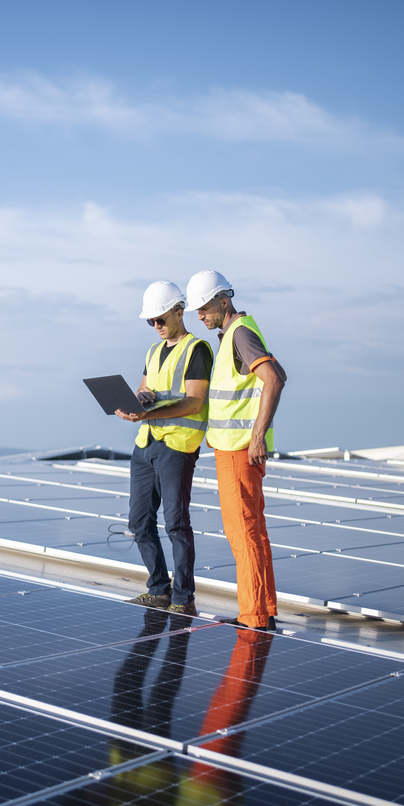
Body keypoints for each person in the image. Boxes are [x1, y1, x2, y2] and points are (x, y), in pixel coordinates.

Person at [186, 270, 285, 631]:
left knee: (244, 532)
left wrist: (258, 436)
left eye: (203, 307)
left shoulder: (240, 334)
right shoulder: (232, 336)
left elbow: (274, 378)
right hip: (232, 450)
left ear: (223, 300)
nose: (199, 315)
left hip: (240, 451)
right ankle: (260, 610)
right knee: (249, 531)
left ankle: (255, 616)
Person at [115, 281, 212, 616]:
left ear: (178, 311)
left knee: (175, 525)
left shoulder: (197, 349)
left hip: (177, 447)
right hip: (146, 444)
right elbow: (146, 388)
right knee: (139, 522)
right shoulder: (153, 351)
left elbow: (195, 401)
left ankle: (183, 599)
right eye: (150, 322)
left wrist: (148, 411)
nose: (156, 326)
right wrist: (136, 402)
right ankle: (158, 590)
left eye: (160, 319)